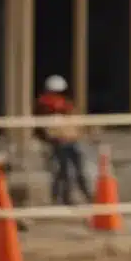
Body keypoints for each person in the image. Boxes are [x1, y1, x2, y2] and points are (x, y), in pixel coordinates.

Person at [33, 75, 92, 205]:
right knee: (63, 171)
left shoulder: (65, 104)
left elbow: (74, 120)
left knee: (77, 170)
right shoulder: (45, 104)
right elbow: (43, 127)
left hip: (70, 140)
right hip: (58, 142)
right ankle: (62, 198)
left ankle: (85, 195)